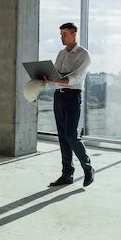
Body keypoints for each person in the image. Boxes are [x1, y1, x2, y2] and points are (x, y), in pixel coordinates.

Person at [44, 22, 94, 187]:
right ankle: (67, 174)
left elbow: (76, 78)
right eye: (61, 34)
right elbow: (56, 74)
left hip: (73, 97)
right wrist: (47, 77)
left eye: (64, 34)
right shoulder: (61, 54)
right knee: (62, 137)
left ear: (74, 34)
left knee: (71, 136)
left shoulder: (83, 55)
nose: (62, 37)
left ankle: (88, 168)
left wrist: (57, 79)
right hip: (59, 97)